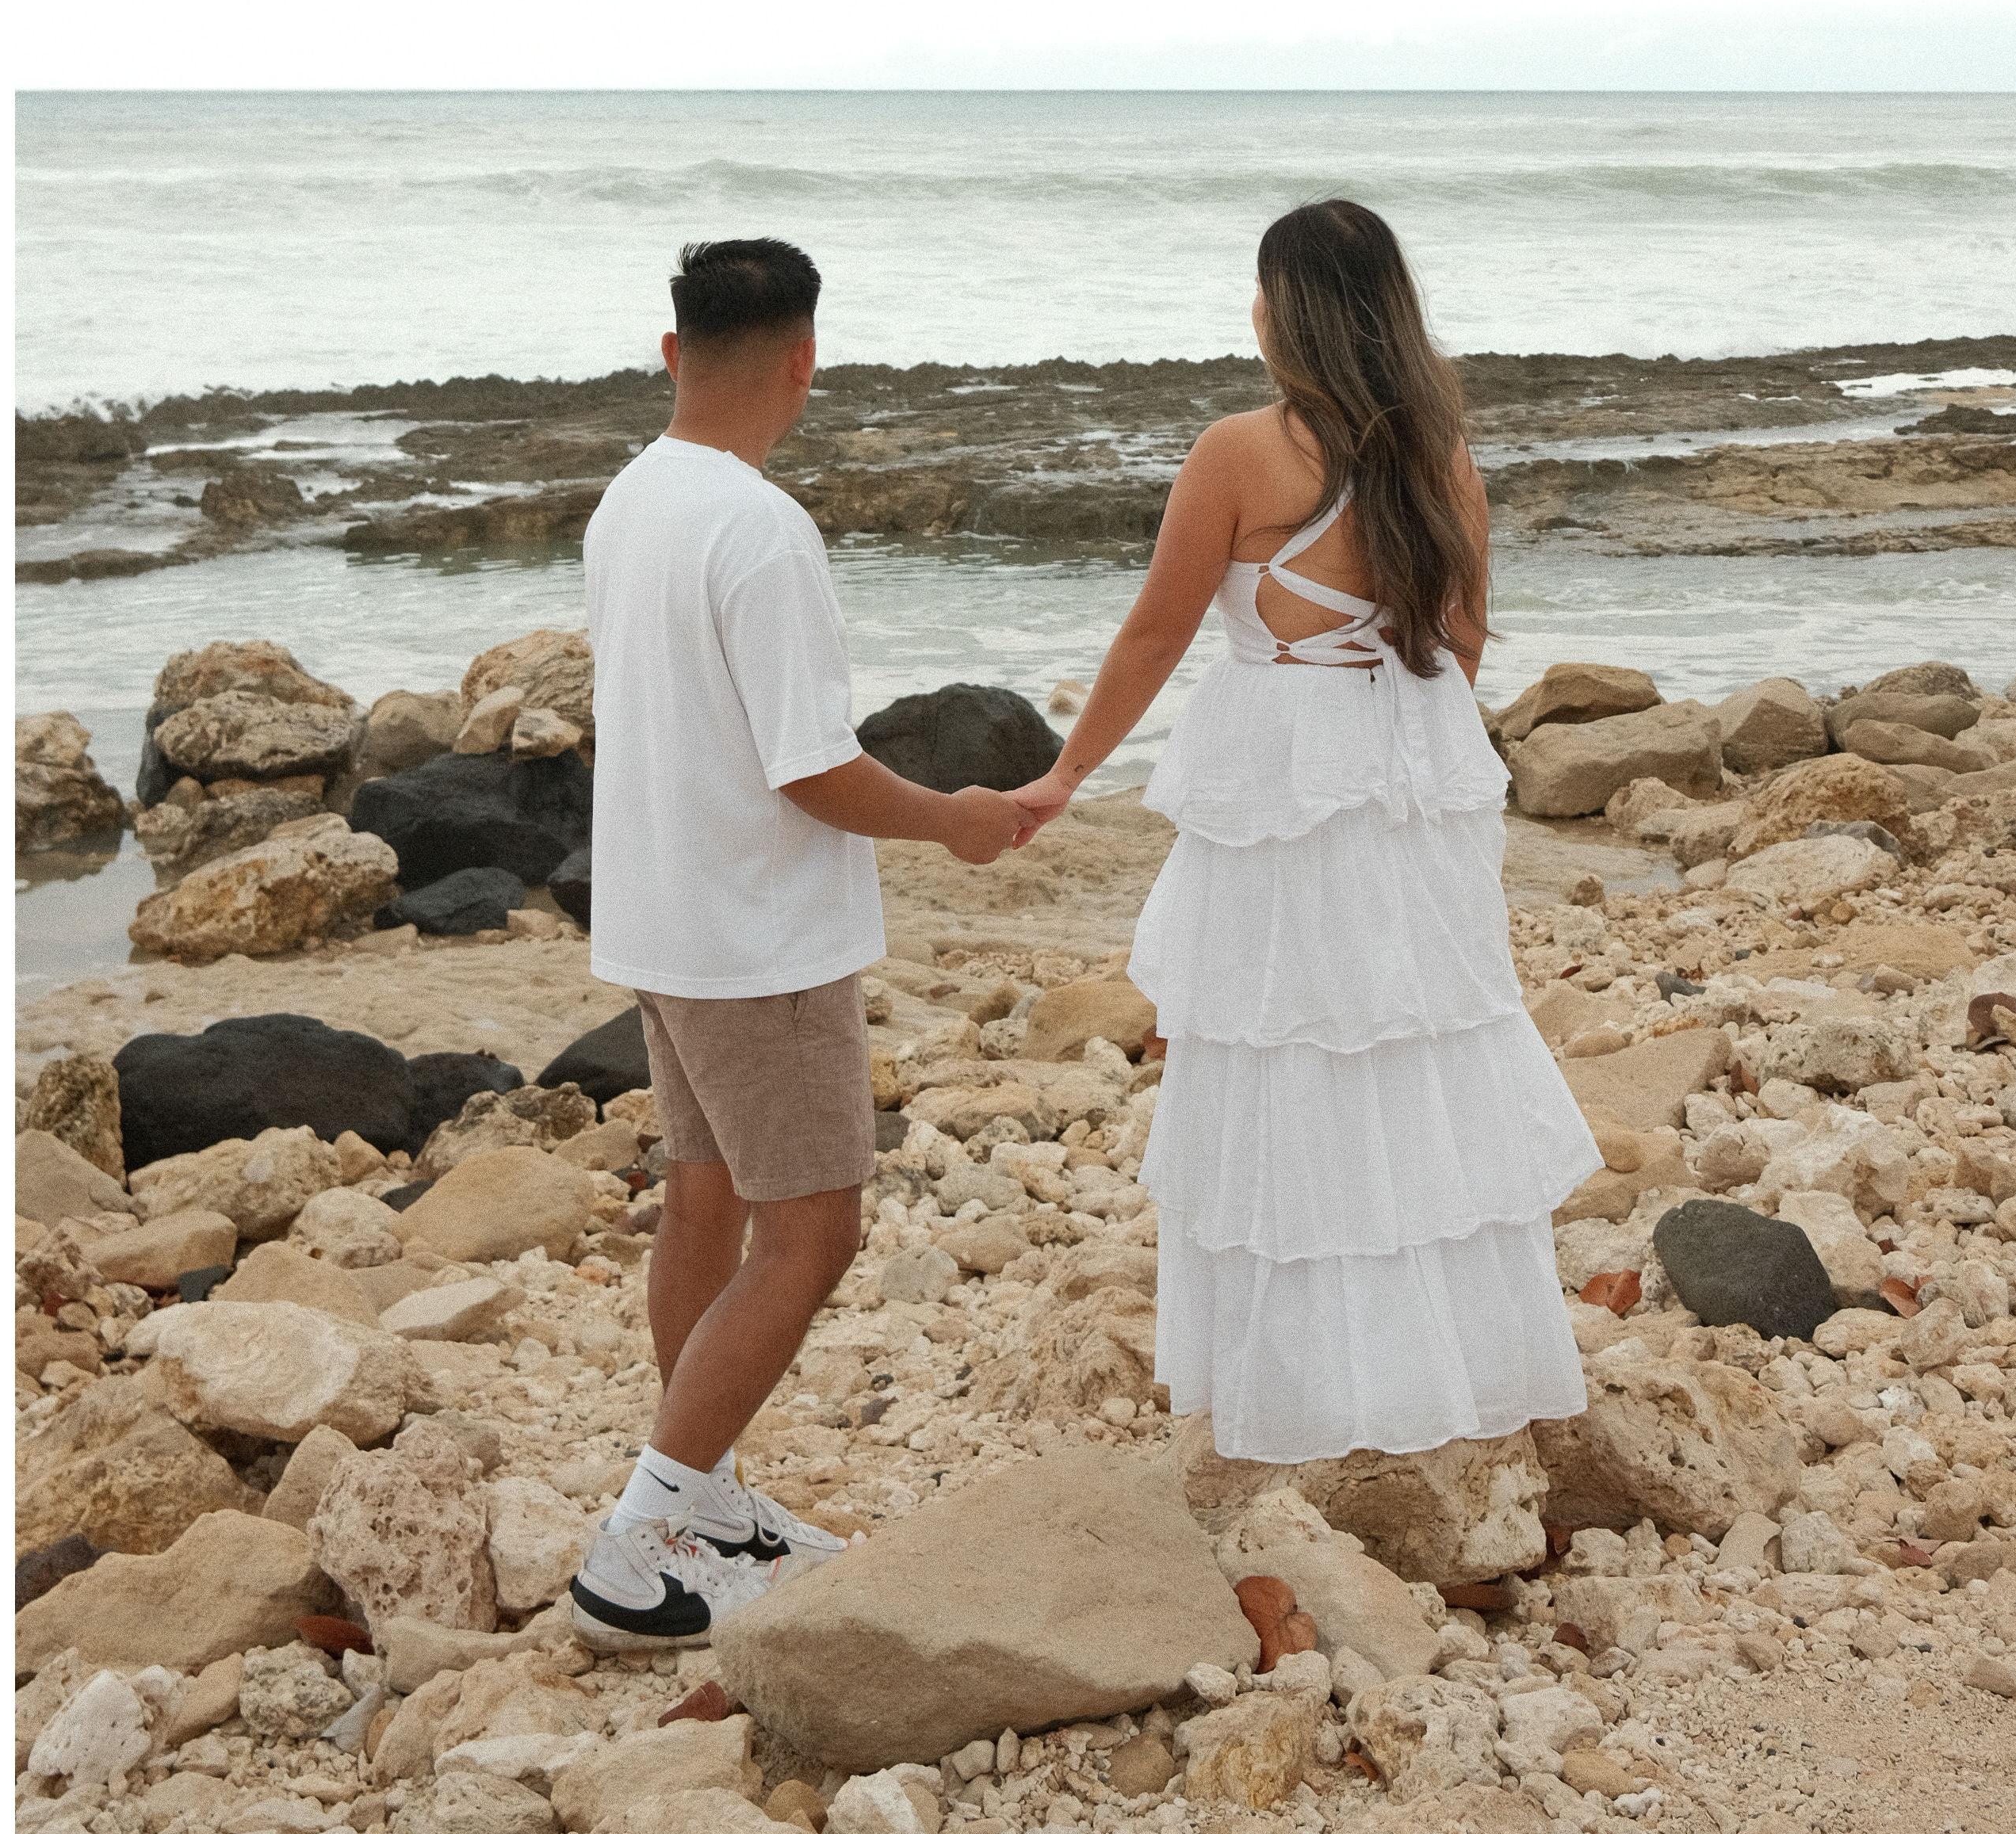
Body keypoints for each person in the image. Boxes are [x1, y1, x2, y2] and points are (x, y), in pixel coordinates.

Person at [1004, 199, 1600, 1465]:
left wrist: (1063, 775)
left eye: (1263, 292)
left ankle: (1312, 1390)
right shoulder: (1440, 457)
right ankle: (1450, 1371)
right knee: (1413, 1056)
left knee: (1285, 1058)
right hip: (1407, 778)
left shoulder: (1239, 450)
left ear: (1291, 312)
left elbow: (1155, 635)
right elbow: (1467, 639)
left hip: (1284, 789)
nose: (1254, 313)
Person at [568, 235, 1034, 1646]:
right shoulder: (760, 527)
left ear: (670, 355)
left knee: (705, 1203)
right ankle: (639, 1544)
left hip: (662, 915)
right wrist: (951, 819)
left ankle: (701, 1502)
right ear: (804, 360)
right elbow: (810, 768)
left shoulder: (630, 498)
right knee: (815, 1227)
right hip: (758, 941)